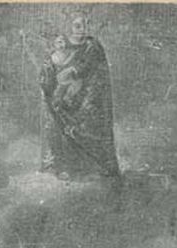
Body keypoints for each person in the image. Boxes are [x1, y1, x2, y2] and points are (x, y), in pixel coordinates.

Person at [39, 14, 120, 180]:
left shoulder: (93, 46)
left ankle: (97, 167)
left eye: (85, 26)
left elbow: (88, 68)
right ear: (69, 27)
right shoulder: (63, 45)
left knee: (89, 124)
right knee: (58, 115)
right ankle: (66, 166)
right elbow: (52, 69)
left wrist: (72, 72)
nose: (82, 30)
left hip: (91, 96)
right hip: (69, 96)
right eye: (77, 26)